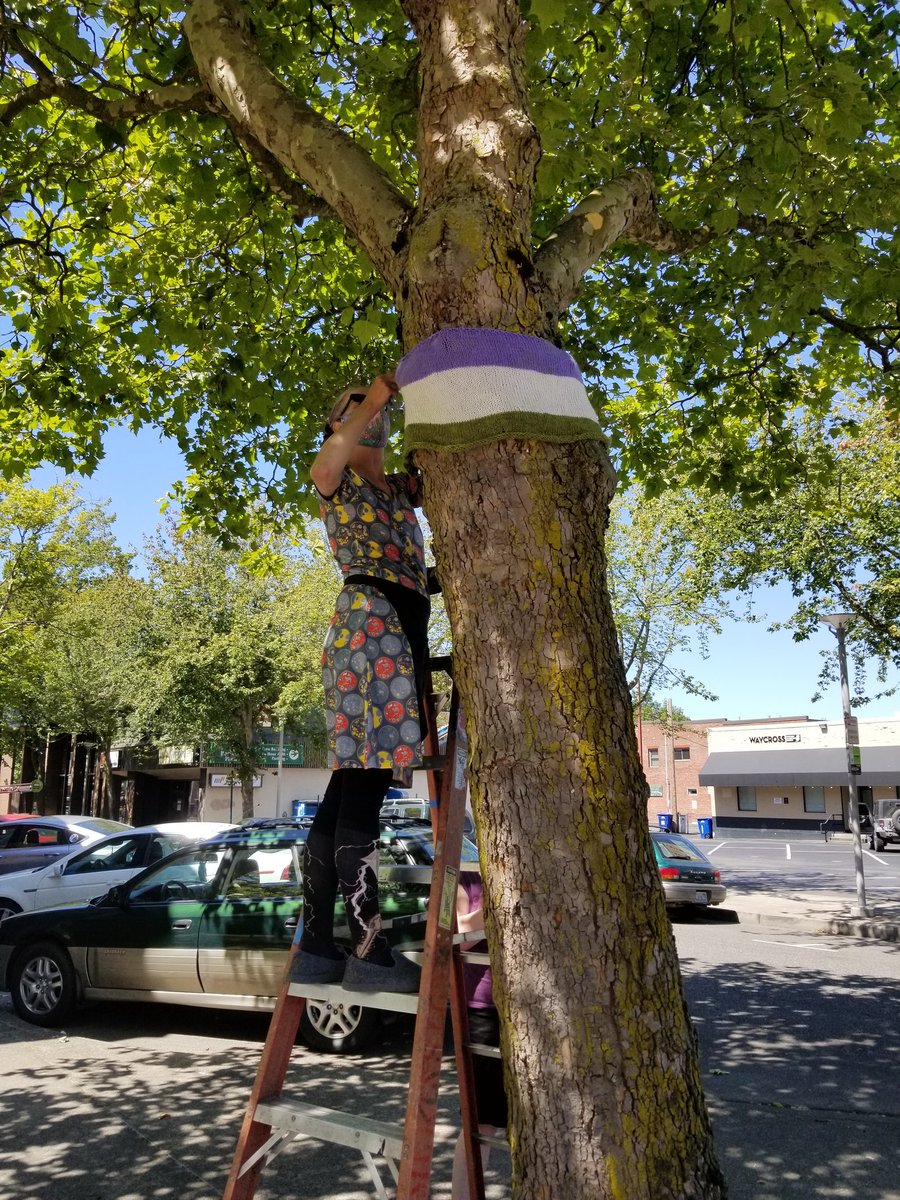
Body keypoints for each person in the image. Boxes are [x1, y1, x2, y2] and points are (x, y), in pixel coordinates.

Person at [292, 373, 430, 994]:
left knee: (345, 790)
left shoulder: (398, 491)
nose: (372, 413)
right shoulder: (337, 477)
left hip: (399, 631)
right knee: (365, 789)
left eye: (376, 407)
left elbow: (414, 566)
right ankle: (368, 948)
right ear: (336, 423)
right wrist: (373, 396)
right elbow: (323, 469)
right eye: (350, 409)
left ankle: (316, 944)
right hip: (371, 634)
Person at [451, 871, 508, 1199]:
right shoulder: (465, 881)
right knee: (482, 1123)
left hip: (529, 1013)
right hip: (483, 1011)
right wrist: (499, 903)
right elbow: (460, 934)